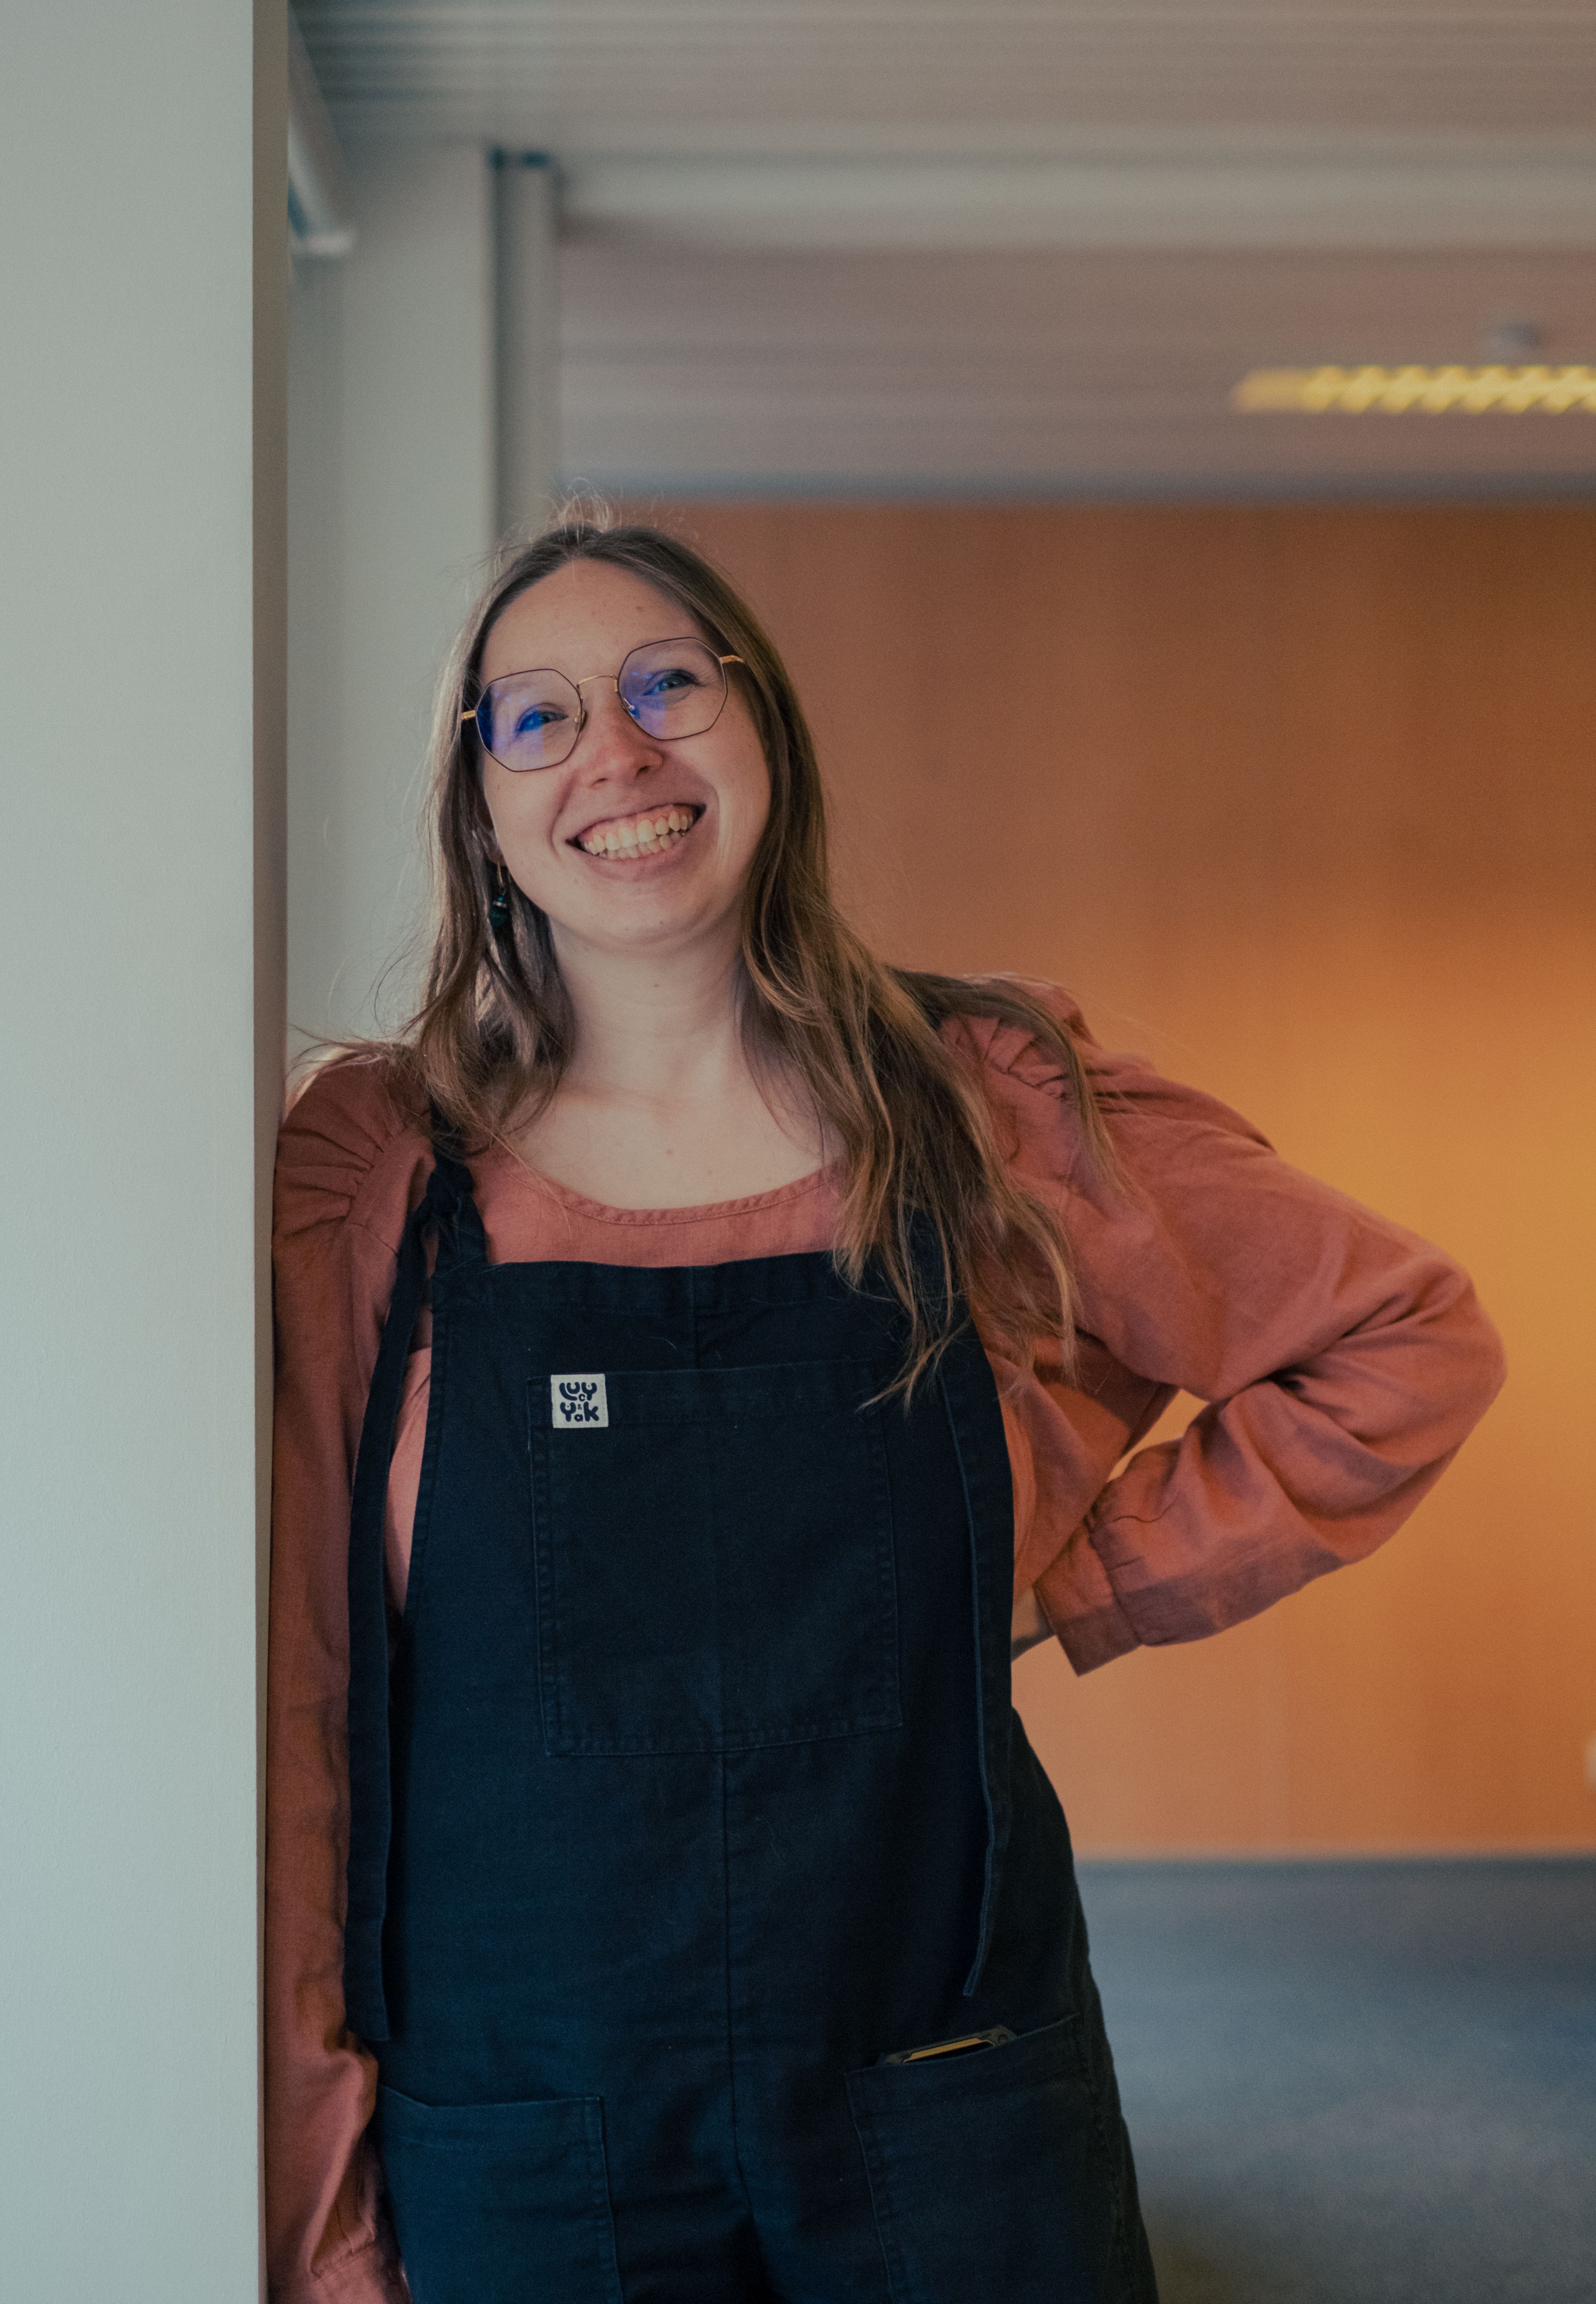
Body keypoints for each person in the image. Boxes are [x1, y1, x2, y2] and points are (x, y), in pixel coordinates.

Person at [265, 520, 1504, 2304]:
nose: (617, 751)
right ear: (479, 801)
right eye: (535, 715)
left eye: (668, 683)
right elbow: (306, 1702)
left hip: (949, 2097)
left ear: (766, 726)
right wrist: (317, 2212)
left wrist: (1067, 1575)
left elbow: (1401, 1340)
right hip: (526, 2130)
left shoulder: (984, 1103)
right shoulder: (377, 1172)